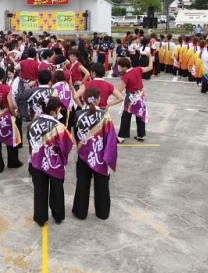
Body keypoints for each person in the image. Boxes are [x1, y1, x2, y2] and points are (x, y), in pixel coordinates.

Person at [71, 87, 118, 220]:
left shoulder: (78, 115)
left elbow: (76, 135)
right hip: (100, 157)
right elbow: (111, 139)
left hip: (83, 155)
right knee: (102, 184)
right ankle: (102, 213)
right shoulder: (105, 115)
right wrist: (109, 158)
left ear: (84, 99)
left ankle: (80, 212)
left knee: (82, 184)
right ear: (98, 100)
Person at [27, 96, 75, 226]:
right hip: (55, 163)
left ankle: (40, 218)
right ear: (56, 110)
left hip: (37, 161)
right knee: (57, 189)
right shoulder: (59, 126)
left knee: (40, 190)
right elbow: (66, 146)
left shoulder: (32, 123)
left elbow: (31, 143)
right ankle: (58, 215)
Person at [116, 57, 152, 142]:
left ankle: (121, 136)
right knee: (140, 115)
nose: (119, 68)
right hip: (141, 96)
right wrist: (150, 57)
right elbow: (150, 67)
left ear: (124, 67)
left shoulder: (126, 76)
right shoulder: (138, 69)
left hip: (131, 98)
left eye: (120, 66)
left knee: (126, 116)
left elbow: (119, 91)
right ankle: (141, 135)